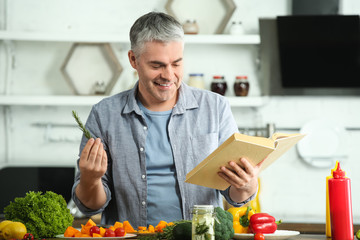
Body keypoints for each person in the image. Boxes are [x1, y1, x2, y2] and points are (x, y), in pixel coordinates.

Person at [71, 11, 262, 227]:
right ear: (134, 60)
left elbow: (235, 197)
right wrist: (90, 179)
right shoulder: (104, 114)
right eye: (157, 65)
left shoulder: (216, 108)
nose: (169, 75)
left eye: (176, 63)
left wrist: (247, 185)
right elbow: (89, 206)